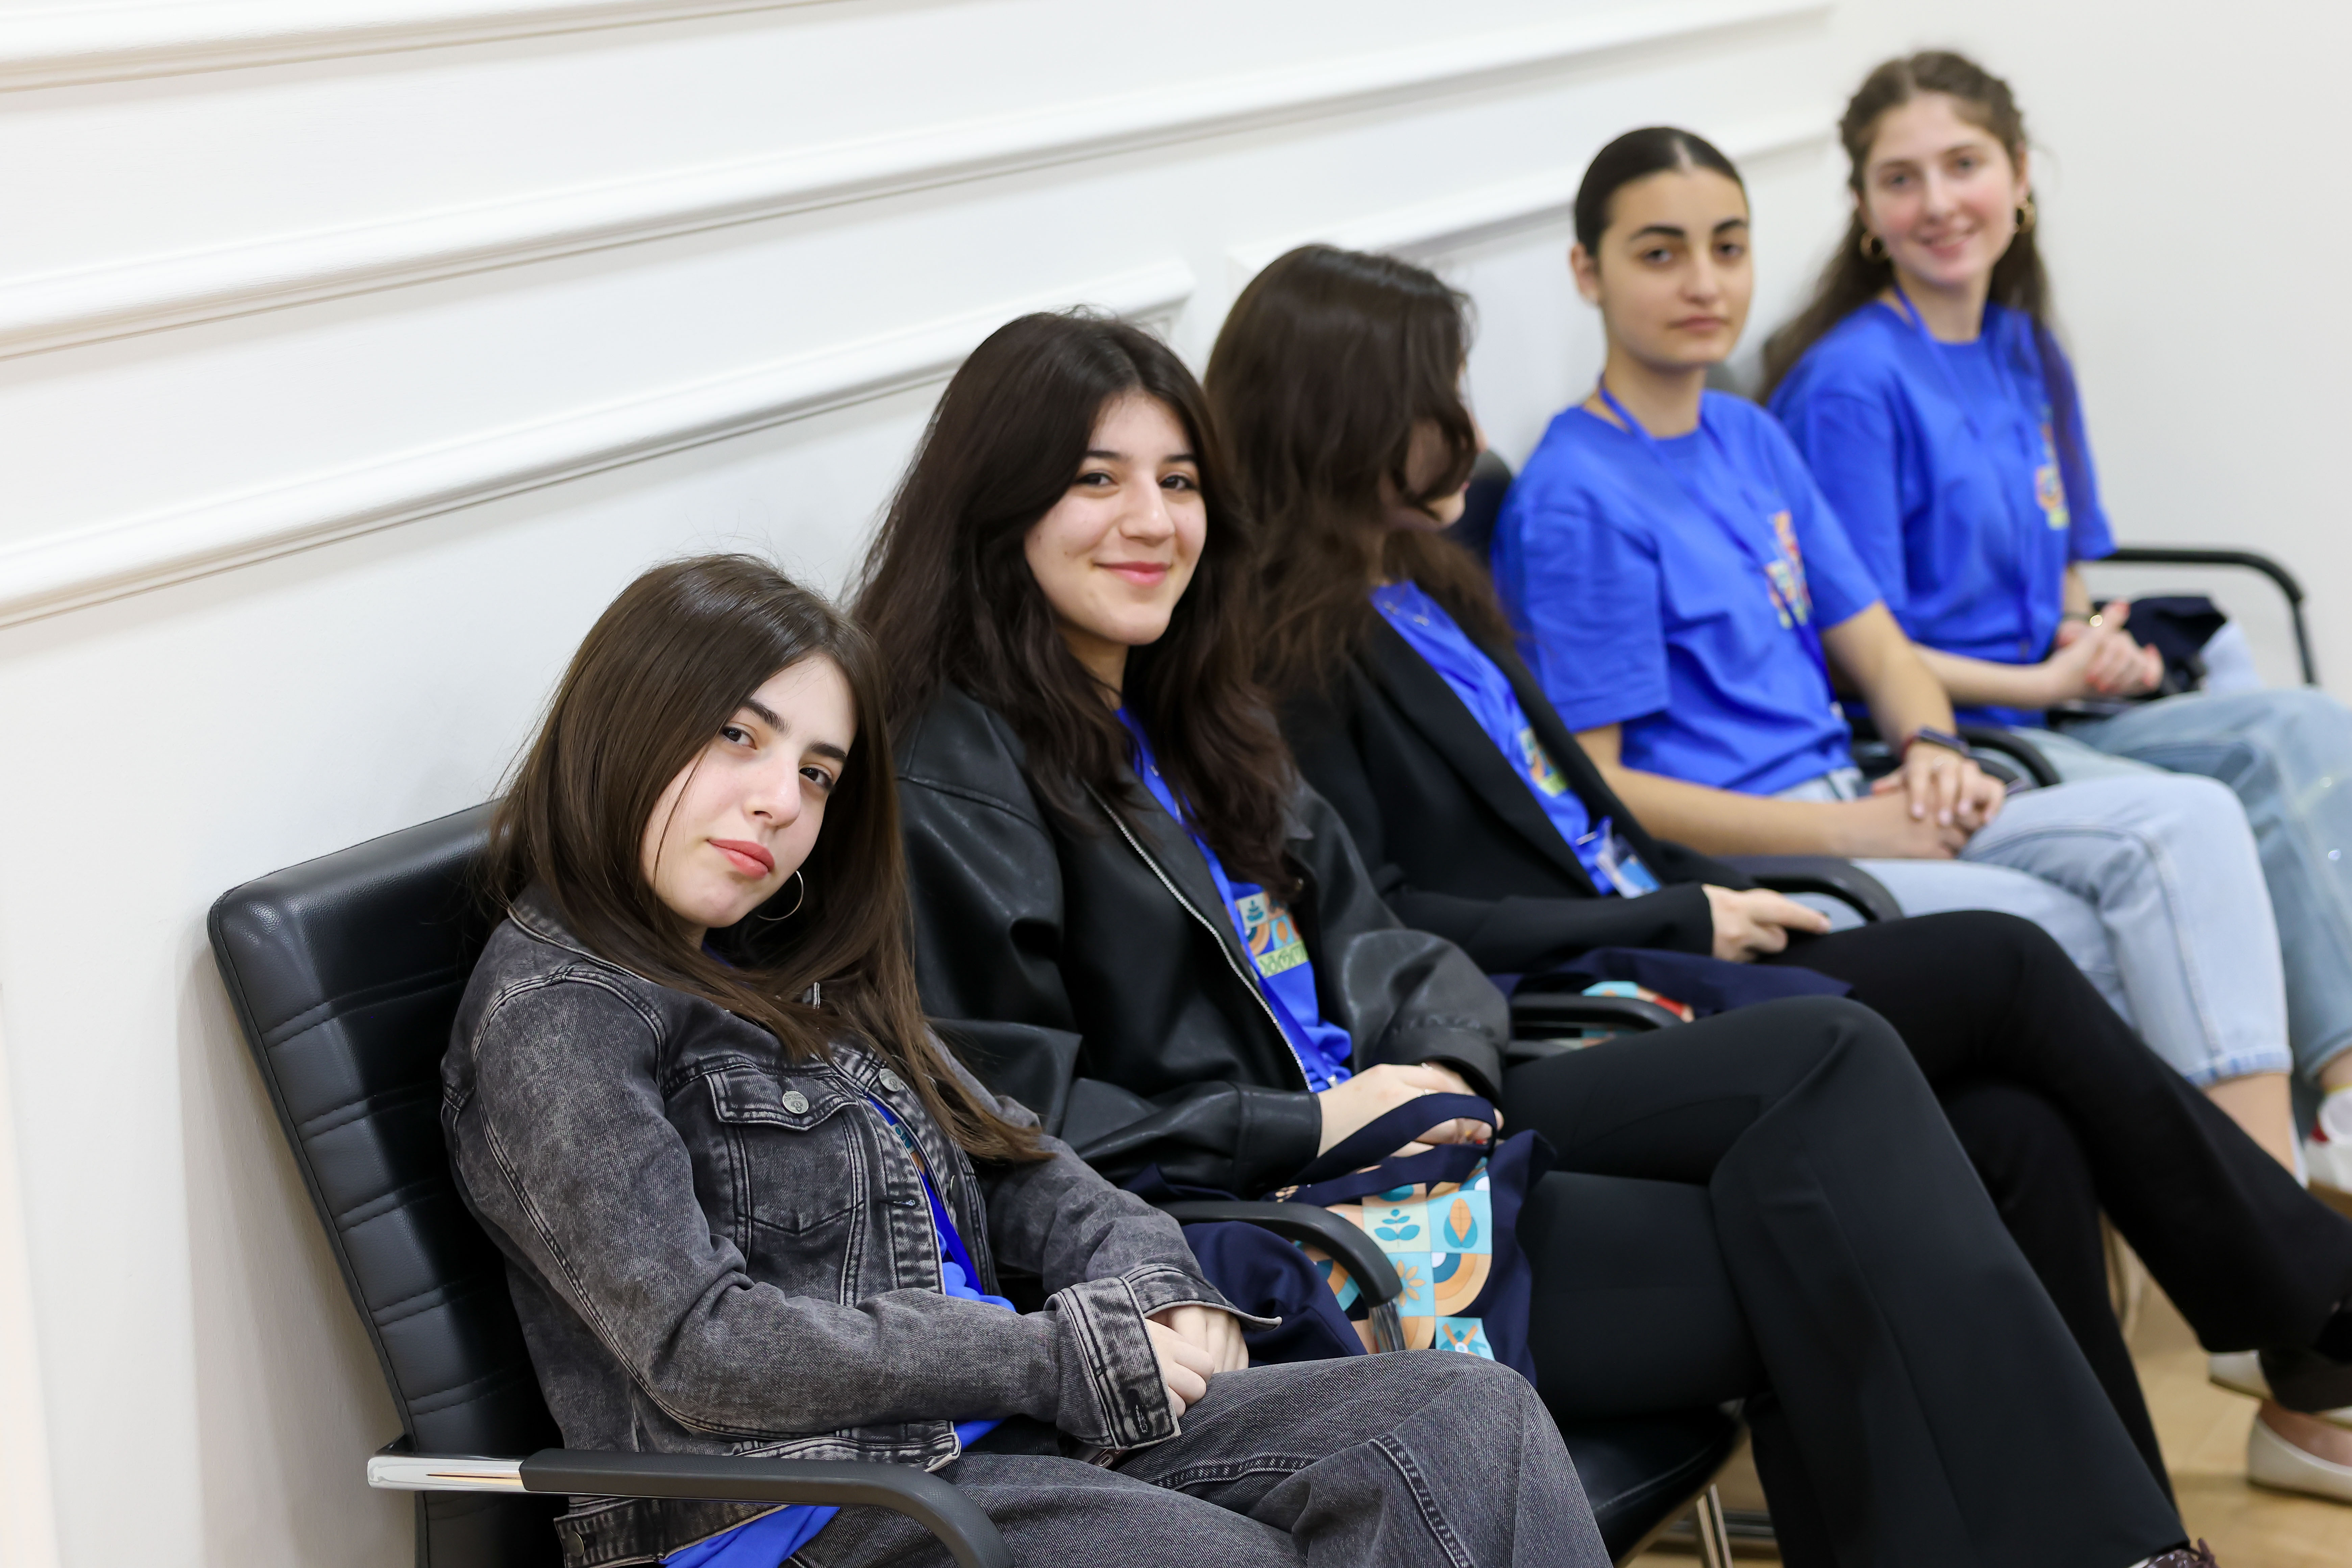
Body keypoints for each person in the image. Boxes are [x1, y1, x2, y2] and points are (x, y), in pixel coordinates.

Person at [853, 307, 2238, 1567]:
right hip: (1280, 1230)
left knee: (1964, 1135)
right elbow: (1017, 1124)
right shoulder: (954, 773)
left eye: (1179, 481)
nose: (1151, 520)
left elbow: (1397, 944)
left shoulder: (1194, 714)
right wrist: (1320, 1119)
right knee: (1831, 1182)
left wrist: (1442, 1063)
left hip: (1419, 1148)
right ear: (1000, 504)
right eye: (1098, 480)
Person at [1205, 238, 2352, 1506]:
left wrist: (1706, 890)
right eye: (1442, 401)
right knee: (2008, 963)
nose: (1474, 433)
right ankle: (2317, 1306)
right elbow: (1394, 925)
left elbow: (1583, 821)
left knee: (2015, 1131)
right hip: (1575, 999)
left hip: (1661, 937)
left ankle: (2124, 1517)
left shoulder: (1426, 586)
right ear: (1349, 417)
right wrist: (1685, 910)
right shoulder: (1290, 654)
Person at [439, 555, 1606, 1568]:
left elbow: (1018, 1162)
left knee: (1467, 1418)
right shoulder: (560, 1011)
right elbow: (703, 1350)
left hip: (1005, 1445)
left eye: (817, 773)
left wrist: (1156, 1282)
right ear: (629, 723)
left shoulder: (790, 968)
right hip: (816, 1512)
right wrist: (1052, 1357)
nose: (780, 802)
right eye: (738, 737)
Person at [1489, 126, 2308, 1182]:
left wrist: (1931, 748)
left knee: (2194, 820)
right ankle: (2253, 1237)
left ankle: (2275, 1211)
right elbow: (1600, 791)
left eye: (1728, 247)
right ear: (1586, 271)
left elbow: (1883, 654)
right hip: (1771, 860)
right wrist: (1854, 828)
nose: (1704, 282)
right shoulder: (1576, 496)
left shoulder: (1746, 435)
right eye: (1660, 253)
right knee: (2070, 933)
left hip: (1876, 794)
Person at [1761, 50, 2352, 1197]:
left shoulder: (2025, 349)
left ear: (2021, 175)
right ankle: (2313, 1129)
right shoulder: (1849, 384)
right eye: (1901, 179)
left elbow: (2068, 560)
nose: (1939, 203)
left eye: (1964, 165)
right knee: (2259, 769)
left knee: (2309, 728)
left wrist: (2093, 639)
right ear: (1865, 210)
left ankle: (2328, 1104)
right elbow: (1858, 646)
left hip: (2061, 700)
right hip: (1955, 736)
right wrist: (2045, 683)